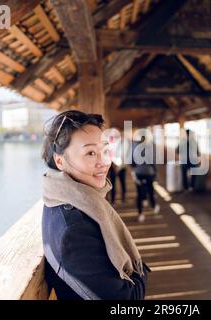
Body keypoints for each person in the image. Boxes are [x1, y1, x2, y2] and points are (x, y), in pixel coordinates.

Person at [41, 110, 151, 300]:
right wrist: (141, 275)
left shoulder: (69, 198)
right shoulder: (74, 229)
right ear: (60, 161)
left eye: (105, 151)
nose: (104, 162)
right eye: (90, 153)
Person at [131, 134, 160, 223]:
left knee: (139, 193)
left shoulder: (135, 148)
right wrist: (155, 172)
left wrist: (136, 168)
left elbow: (132, 162)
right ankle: (154, 206)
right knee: (151, 191)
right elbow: (153, 162)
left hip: (139, 173)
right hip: (149, 173)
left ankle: (141, 213)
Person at [108, 129, 130, 204]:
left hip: (121, 167)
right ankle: (113, 200)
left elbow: (124, 156)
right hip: (112, 167)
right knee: (113, 184)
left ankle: (123, 198)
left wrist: (119, 166)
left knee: (122, 183)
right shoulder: (110, 143)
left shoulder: (123, 143)